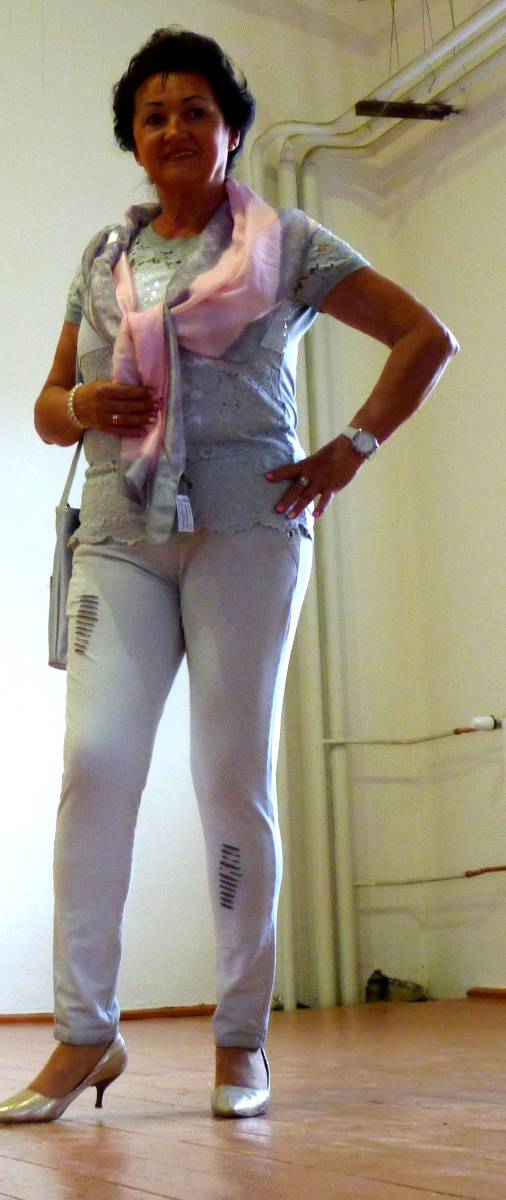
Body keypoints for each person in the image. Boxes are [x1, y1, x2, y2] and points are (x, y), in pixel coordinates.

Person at [0, 27, 458, 1125]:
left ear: (231, 130)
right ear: (133, 138)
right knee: (95, 766)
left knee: (230, 781)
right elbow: (50, 405)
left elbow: (422, 338)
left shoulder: (287, 243)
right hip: (118, 534)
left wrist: (350, 447)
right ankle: (83, 1034)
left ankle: (240, 1038)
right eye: (153, 114)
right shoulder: (103, 258)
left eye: (195, 110)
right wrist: (84, 404)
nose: (173, 128)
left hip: (249, 531)